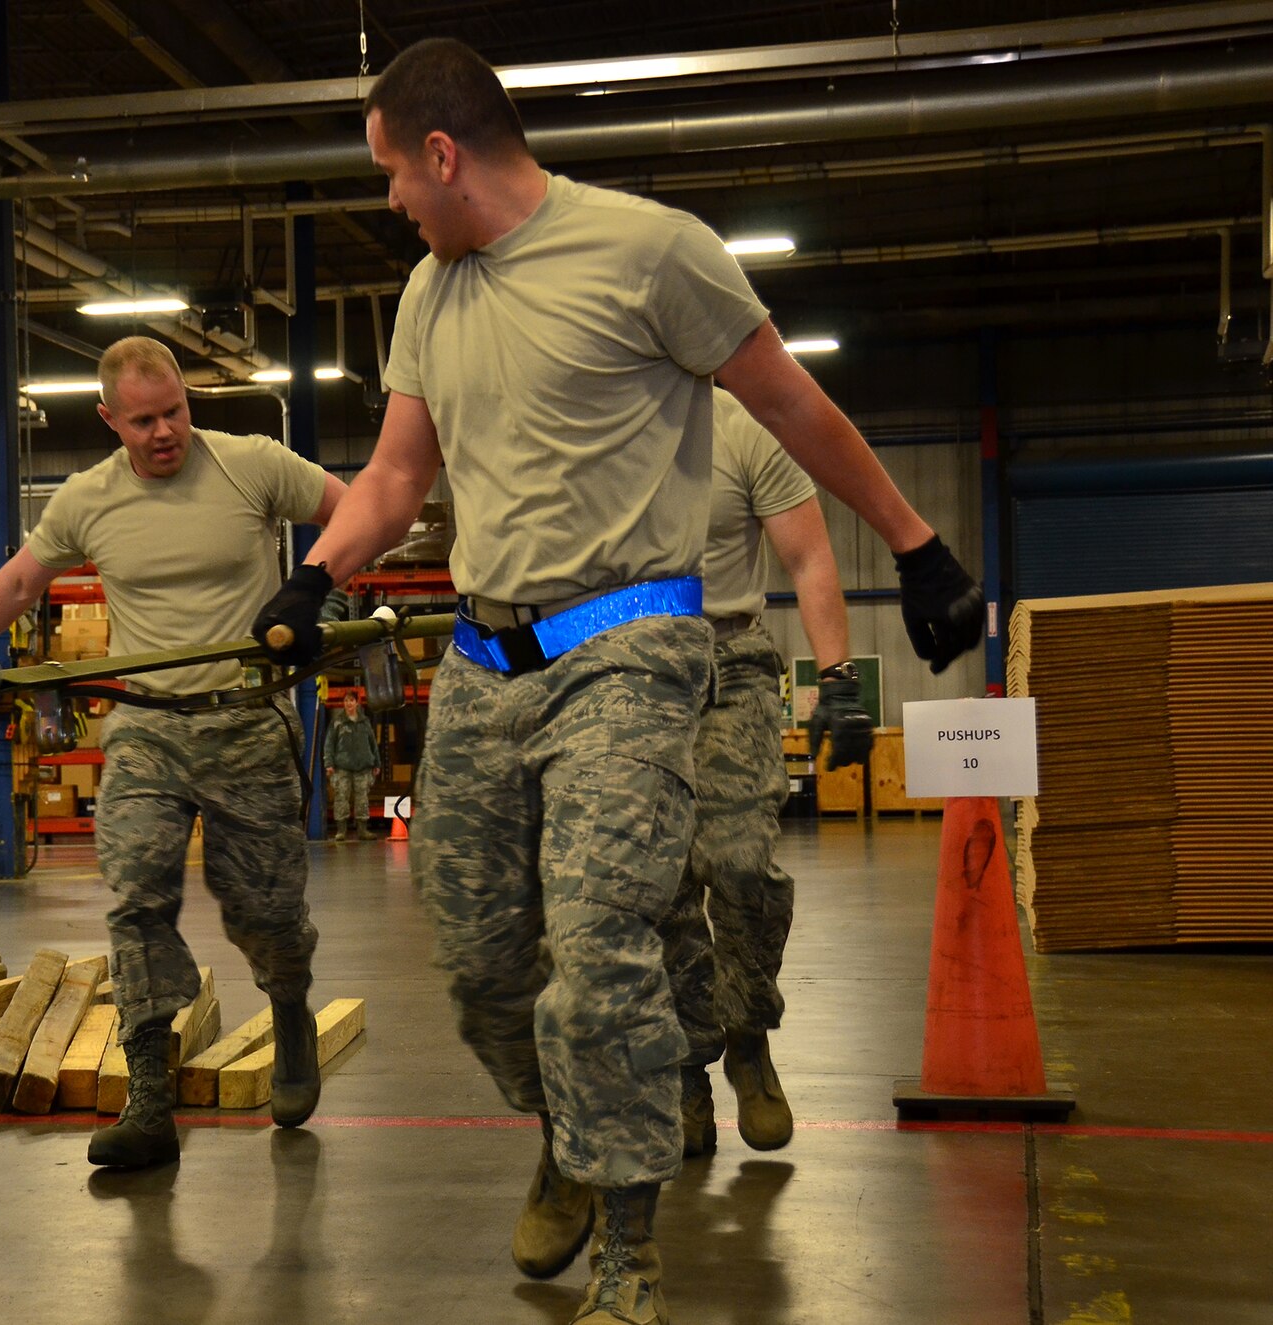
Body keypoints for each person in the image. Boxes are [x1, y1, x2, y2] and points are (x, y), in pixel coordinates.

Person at [252, 40, 982, 1325]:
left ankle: (629, 1260)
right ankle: (569, 1133)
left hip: (634, 646)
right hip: (484, 660)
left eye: (387, 174)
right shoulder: (430, 290)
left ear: (439, 153)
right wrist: (313, 577)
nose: (388, 204)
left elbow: (793, 406)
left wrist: (914, 545)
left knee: (599, 950)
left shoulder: (651, 251)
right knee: (480, 964)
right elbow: (396, 476)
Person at [0, 335, 347, 1170]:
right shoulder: (87, 498)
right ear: (109, 420)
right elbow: (23, 581)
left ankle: (288, 1008)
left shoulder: (253, 465)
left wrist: (318, 592)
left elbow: (355, 510)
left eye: (174, 411)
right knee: (135, 901)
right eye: (143, 420)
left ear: (188, 400)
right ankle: (149, 1099)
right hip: (145, 726)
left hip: (244, 716)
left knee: (266, 912)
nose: (164, 431)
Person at [662, 389, 875, 1161]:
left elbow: (809, 553)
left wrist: (841, 678)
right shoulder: (598, 419)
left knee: (743, 863)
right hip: (629, 668)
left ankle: (746, 1032)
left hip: (732, 663)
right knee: (663, 884)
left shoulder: (744, 427)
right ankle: (687, 1066)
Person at [323, 690, 382, 842]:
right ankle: (341, 831)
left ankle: (362, 830)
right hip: (342, 766)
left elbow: (372, 743)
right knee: (341, 797)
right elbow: (329, 744)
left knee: (362, 798)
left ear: (357, 703)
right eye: (346, 700)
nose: (348, 703)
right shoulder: (337, 721)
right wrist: (328, 763)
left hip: (363, 766)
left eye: (351, 700)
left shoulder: (365, 722)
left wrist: (377, 762)